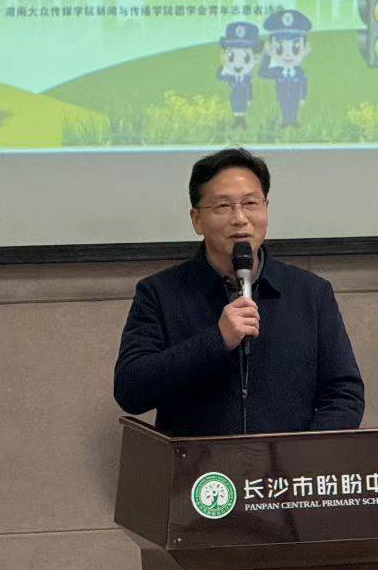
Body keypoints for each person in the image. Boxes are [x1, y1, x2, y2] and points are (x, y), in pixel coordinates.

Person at [113, 147, 364, 436]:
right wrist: (216, 340)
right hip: (198, 464)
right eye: (223, 206)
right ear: (196, 220)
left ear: (266, 208)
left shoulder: (311, 293)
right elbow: (130, 390)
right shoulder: (160, 293)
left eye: (251, 203)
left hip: (288, 463)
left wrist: (302, 453)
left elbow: (344, 394)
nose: (240, 218)